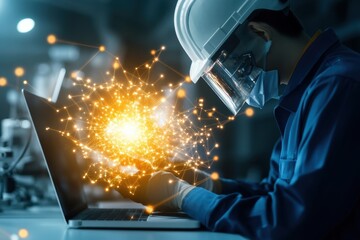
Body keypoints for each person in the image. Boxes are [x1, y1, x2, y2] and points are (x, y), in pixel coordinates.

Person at [118, 0, 360, 238]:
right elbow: (272, 194)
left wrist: (181, 195)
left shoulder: (338, 86)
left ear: (261, 33)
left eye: (232, 67)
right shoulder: (305, 95)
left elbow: (286, 221)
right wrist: (209, 187)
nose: (235, 81)